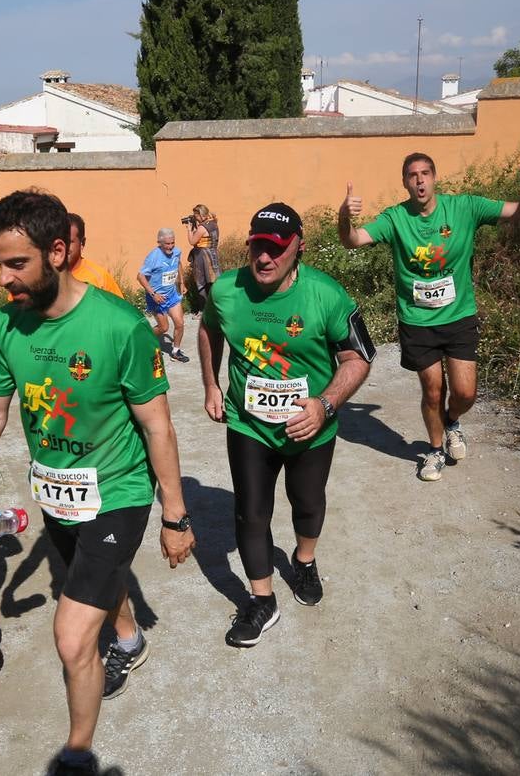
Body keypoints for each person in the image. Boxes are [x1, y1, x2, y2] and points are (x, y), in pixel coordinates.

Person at [0, 190, 195, 776]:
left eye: (16, 264)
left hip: (118, 493)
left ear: (58, 252)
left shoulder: (120, 327)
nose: (3, 279)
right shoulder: (5, 326)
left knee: (70, 636)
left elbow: (157, 425)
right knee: (94, 583)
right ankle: (130, 638)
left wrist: (175, 515)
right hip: (57, 494)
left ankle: (78, 752)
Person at [199, 203, 374, 647]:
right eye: (258, 246)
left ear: (299, 247)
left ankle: (305, 559)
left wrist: (325, 405)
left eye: (277, 248)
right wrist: (212, 385)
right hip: (248, 422)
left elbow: (358, 357)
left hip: (311, 426)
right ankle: (262, 600)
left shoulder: (326, 294)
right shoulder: (226, 290)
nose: (264, 258)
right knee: (251, 510)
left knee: (307, 501)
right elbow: (208, 329)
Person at [339, 152, 520, 482]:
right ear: (405, 182)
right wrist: (344, 217)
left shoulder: (464, 207)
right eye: (412, 175)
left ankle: (451, 421)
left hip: (459, 316)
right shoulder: (395, 218)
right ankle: (434, 451)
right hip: (417, 321)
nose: (419, 180)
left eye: (425, 173)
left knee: (465, 393)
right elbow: (352, 240)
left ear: (435, 178)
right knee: (432, 390)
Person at [137, 227, 188, 363]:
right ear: (159, 242)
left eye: (173, 243)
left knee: (180, 323)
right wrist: (153, 294)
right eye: (167, 244)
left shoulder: (176, 252)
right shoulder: (153, 256)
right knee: (163, 328)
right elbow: (140, 276)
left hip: (171, 295)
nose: (170, 247)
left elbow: (178, 264)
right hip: (156, 298)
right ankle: (143, 338)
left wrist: (182, 283)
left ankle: (176, 352)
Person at [67, 212, 124, 298]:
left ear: (82, 243)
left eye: (69, 242)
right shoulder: (47, 275)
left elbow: (118, 309)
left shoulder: (100, 278)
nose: (62, 247)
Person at [185, 204, 221, 300]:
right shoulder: (213, 223)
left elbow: (192, 241)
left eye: (196, 215)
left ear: (201, 215)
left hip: (203, 257)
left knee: (201, 282)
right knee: (213, 280)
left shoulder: (202, 228)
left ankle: (204, 307)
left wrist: (189, 230)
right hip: (213, 254)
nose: (195, 218)